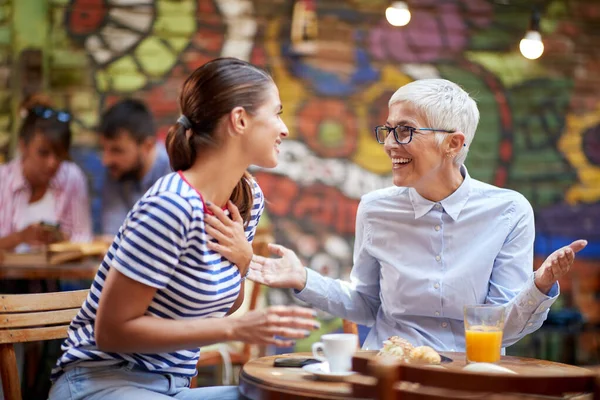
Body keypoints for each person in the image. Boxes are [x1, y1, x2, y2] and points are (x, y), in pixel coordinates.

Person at [222, 79, 588, 353]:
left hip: (471, 378)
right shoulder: (376, 208)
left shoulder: (508, 211)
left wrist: (538, 286)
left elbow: (502, 329)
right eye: (388, 130)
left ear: (453, 143)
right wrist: (302, 278)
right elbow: (365, 305)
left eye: (405, 131)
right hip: (389, 370)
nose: (388, 144)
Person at [48, 58, 318, 400]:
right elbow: (112, 332)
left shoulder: (246, 199)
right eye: (276, 113)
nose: (284, 129)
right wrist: (236, 328)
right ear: (240, 120)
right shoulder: (171, 205)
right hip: (104, 381)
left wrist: (244, 260)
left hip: (171, 388)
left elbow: (226, 304)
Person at [0, 100, 92, 251]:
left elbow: (84, 238)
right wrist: (20, 237)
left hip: (56, 274)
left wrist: (61, 239)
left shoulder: (72, 176)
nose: (52, 163)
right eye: (43, 153)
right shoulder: (3, 179)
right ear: (23, 146)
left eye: (60, 154)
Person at [98, 99, 172, 236]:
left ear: (147, 146)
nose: (106, 161)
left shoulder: (175, 171)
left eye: (117, 150)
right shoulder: (117, 172)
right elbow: (112, 234)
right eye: (103, 149)